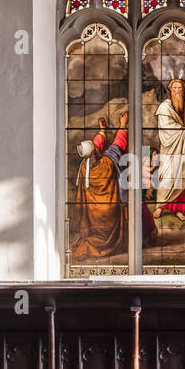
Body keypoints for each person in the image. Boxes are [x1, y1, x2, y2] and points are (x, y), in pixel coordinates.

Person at [70, 111, 131, 260]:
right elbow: (116, 147)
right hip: (109, 214)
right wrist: (123, 126)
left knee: (95, 229)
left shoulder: (85, 166)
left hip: (93, 215)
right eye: (96, 148)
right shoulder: (106, 163)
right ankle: (107, 244)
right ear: (95, 152)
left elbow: (96, 145)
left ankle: (94, 238)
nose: (98, 147)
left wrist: (102, 130)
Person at [151, 78, 185, 221]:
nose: (178, 90)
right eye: (175, 88)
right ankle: (160, 206)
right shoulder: (164, 108)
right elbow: (166, 130)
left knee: (184, 177)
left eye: (180, 88)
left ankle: (180, 210)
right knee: (168, 177)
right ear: (170, 89)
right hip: (170, 150)